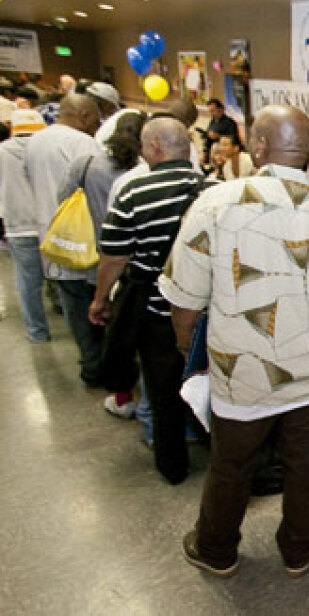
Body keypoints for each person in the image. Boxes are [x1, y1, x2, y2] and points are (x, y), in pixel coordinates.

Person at [159, 104, 309, 579]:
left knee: (231, 464)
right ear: (308, 151)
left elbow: (185, 299)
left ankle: (217, 550)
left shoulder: (215, 204)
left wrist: (184, 348)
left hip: (242, 371)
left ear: (259, 145)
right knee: (303, 462)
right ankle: (299, 548)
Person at [90, 116, 209, 485]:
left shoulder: (133, 192)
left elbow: (114, 257)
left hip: (158, 311)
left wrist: (100, 300)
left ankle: (173, 466)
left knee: (162, 390)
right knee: (212, 384)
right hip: (207, 310)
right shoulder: (214, 188)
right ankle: (223, 457)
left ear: (155, 146)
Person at [56, 110, 149, 417]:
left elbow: (64, 199)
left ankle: (105, 384)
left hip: (91, 258)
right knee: (132, 339)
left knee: (102, 332)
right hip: (134, 269)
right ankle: (139, 398)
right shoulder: (145, 172)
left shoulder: (86, 165)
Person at [26, 94, 102, 381]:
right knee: (95, 307)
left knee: (73, 306)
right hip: (84, 240)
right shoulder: (82, 143)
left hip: (53, 237)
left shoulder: (36, 140)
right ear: (83, 115)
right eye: (94, 118)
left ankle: (88, 363)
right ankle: (100, 366)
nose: (97, 125)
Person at [0, 109, 50, 342]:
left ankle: (37, 332)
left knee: (28, 282)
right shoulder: (47, 148)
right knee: (64, 277)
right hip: (51, 223)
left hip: (18, 224)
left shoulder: (2, 151)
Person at [202, 98, 239, 165]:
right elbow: (208, 140)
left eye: (213, 111)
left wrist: (218, 136)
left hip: (225, 150)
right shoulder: (212, 122)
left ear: (220, 110)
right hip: (213, 151)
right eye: (210, 111)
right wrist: (205, 152)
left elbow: (233, 139)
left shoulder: (229, 123)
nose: (211, 113)